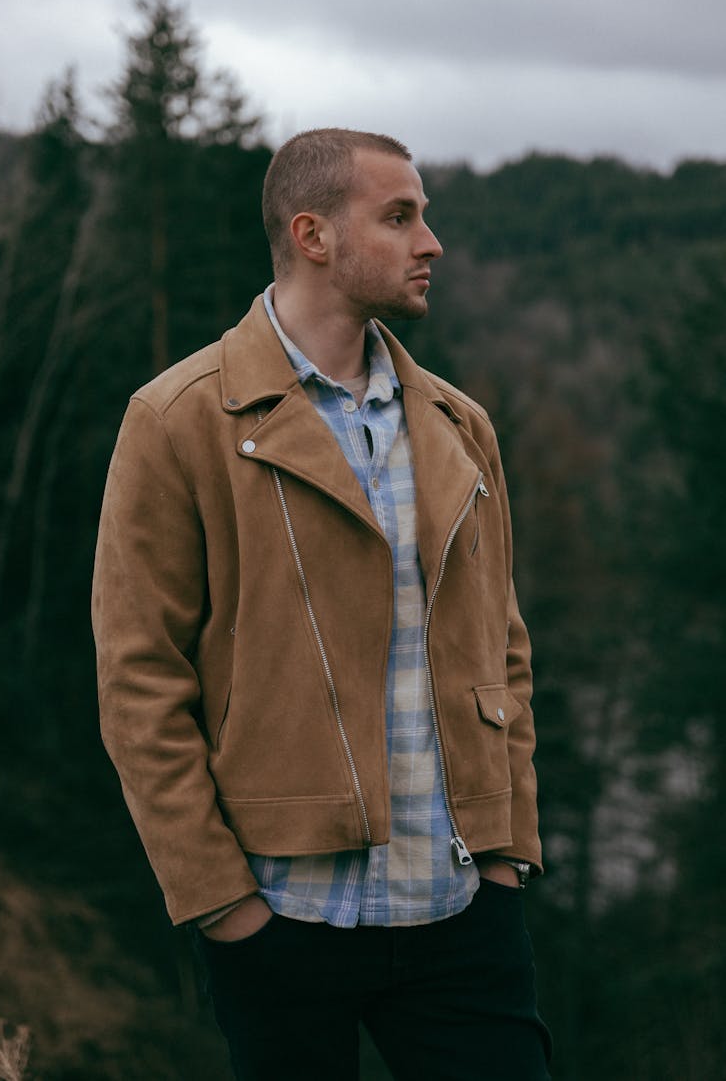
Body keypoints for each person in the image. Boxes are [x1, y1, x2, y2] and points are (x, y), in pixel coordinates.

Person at [92, 128, 552, 1080]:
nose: (432, 242)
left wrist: (508, 856)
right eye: (401, 216)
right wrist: (222, 901)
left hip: (460, 910)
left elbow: (503, 648)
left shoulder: (462, 427)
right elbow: (139, 680)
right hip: (283, 917)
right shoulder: (181, 420)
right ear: (313, 234)